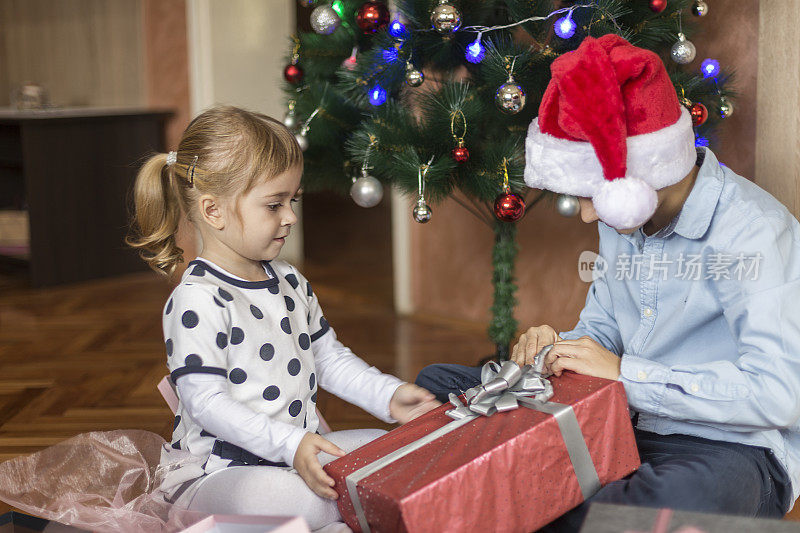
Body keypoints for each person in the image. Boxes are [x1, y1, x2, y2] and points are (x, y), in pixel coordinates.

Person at [415, 35, 800, 529]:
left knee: (677, 496)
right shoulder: (626, 212)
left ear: (639, 170)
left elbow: (778, 393)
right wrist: (558, 349)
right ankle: (569, 498)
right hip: (617, 419)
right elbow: (603, 329)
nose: (587, 215)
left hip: (726, 446)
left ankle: (545, 496)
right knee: (439, 388)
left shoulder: (754, 234)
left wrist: (625, 375)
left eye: (592, 195)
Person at [127, 105, 440, 530]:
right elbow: (207, 404)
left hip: (294, 453)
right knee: (310, 501)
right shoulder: (197, 299)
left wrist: (387, 396)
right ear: (213, 210)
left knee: (397, 457)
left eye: (293, 200)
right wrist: (291, 445)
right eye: (274, 204)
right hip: (217, 474)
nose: (291, 216)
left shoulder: (290, 280)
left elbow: (328, 358)